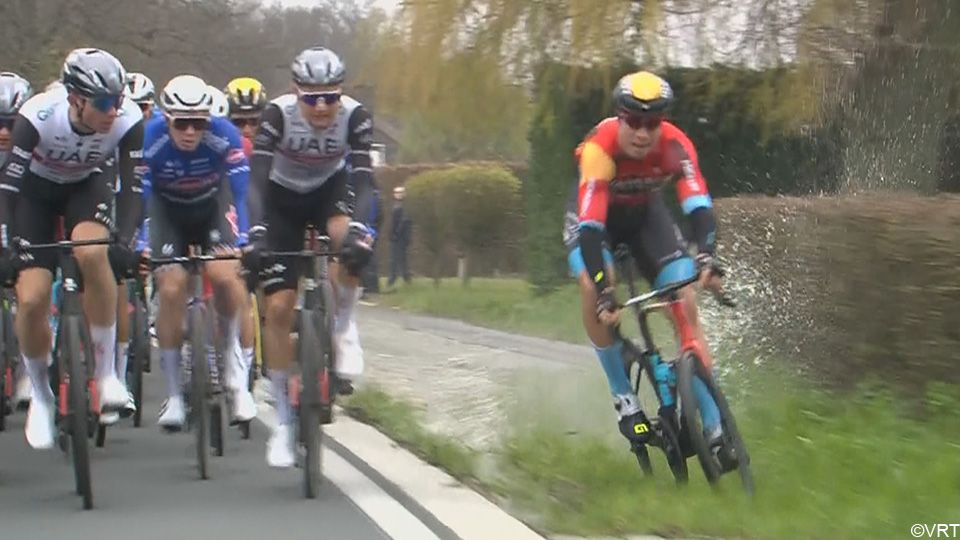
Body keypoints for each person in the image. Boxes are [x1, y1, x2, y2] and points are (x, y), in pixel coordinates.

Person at [563, 70, 732, 464]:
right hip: (595, 222)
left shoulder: (676, 146)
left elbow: (699, 208)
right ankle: (624, 397)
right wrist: (607, 292)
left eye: (652, 123)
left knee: (685, 301)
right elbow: (589, 230)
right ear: (619, 119)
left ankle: (716, 429)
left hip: (645, 219)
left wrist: (706, 256)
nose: (642, 132)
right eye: (633, 122)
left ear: (663, 122)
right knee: (593, 288)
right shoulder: (599, 150)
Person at [0, 48, 145, 449]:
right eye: (103, 103)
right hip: (35, 195)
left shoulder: (128, 119)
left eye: (118, 100)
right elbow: (8, 189)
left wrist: (127, 240)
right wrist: (5, 244)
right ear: (75, 100)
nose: (113, 110)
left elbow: (133, 189)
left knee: (94, 251)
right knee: (30, 300)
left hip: (86, 186)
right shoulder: (38, 115)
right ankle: (42, 399)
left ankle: (106, 375)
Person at [245, 46, 378, 467]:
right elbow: (257, 179)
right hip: (282, 201)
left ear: (341, 94)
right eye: (311, 97)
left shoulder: (355, 117)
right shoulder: (276, 116)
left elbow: (363, 179)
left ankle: (342, 330)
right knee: (279, 308)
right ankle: (284, 418)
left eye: (330, 97)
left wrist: (361, 231)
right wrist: (258, 230)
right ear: (295, 92)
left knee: (348, 241)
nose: (321, 107)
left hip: (330, 193)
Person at [141, 75, 255, 430]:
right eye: (182, 124)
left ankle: (235, 372)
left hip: (212, 207)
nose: (191, 132)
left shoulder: (225, 135)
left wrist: (247, 237)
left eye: (199, 124)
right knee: (172, 289)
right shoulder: (150, 138)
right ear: (166, 119)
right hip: (167, 213)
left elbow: (241, 192)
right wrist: (143, 242)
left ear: (209, 120)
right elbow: (142, 198)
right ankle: (174, 395)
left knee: (226, 276)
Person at [0, 72, 34, 409]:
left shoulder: (40, 149)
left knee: (30, 291)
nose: (4, 133)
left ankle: (29, 369)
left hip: (27, 219)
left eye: (12, 124)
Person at [387, 185, 412, 287]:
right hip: (398, 236)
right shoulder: (397, 205)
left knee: (397, 259)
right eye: (396, 193)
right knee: (401, 259)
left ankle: (393, 279)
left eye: (400, 193)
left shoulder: (403, 207)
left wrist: (395, 234)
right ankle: (406, 279)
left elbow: (403, 222)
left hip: (400, 237)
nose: (398, 195)